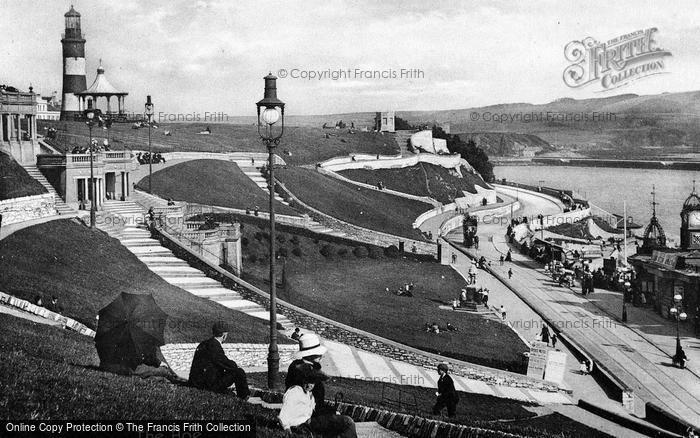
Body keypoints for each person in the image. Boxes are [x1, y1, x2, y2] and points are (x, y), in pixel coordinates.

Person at [278, 368, 357, 437]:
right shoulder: (295, 391)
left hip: (310, 423)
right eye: (307, 381)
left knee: (340, 424)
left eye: (312, 383)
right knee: (347, 422)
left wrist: (333, 412)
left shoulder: (309, 395)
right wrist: (287, 429)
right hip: (301, 425)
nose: (309, 385)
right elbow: (283, 414)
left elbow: (316, 410)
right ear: (302, 380)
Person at [188, 321, 250, 398]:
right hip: (206, 385)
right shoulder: (214, 345)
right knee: (239, 372)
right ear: (224, 335)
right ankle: (244, 397)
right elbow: (224, 362)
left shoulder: (204, 343)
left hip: (197, 382)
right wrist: (235, 365)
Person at [286, 334, 333, 415]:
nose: (320, 356)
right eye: (317, 354)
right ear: (310, 355)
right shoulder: (304, 369)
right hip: (306, 412)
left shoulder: (298, 365)